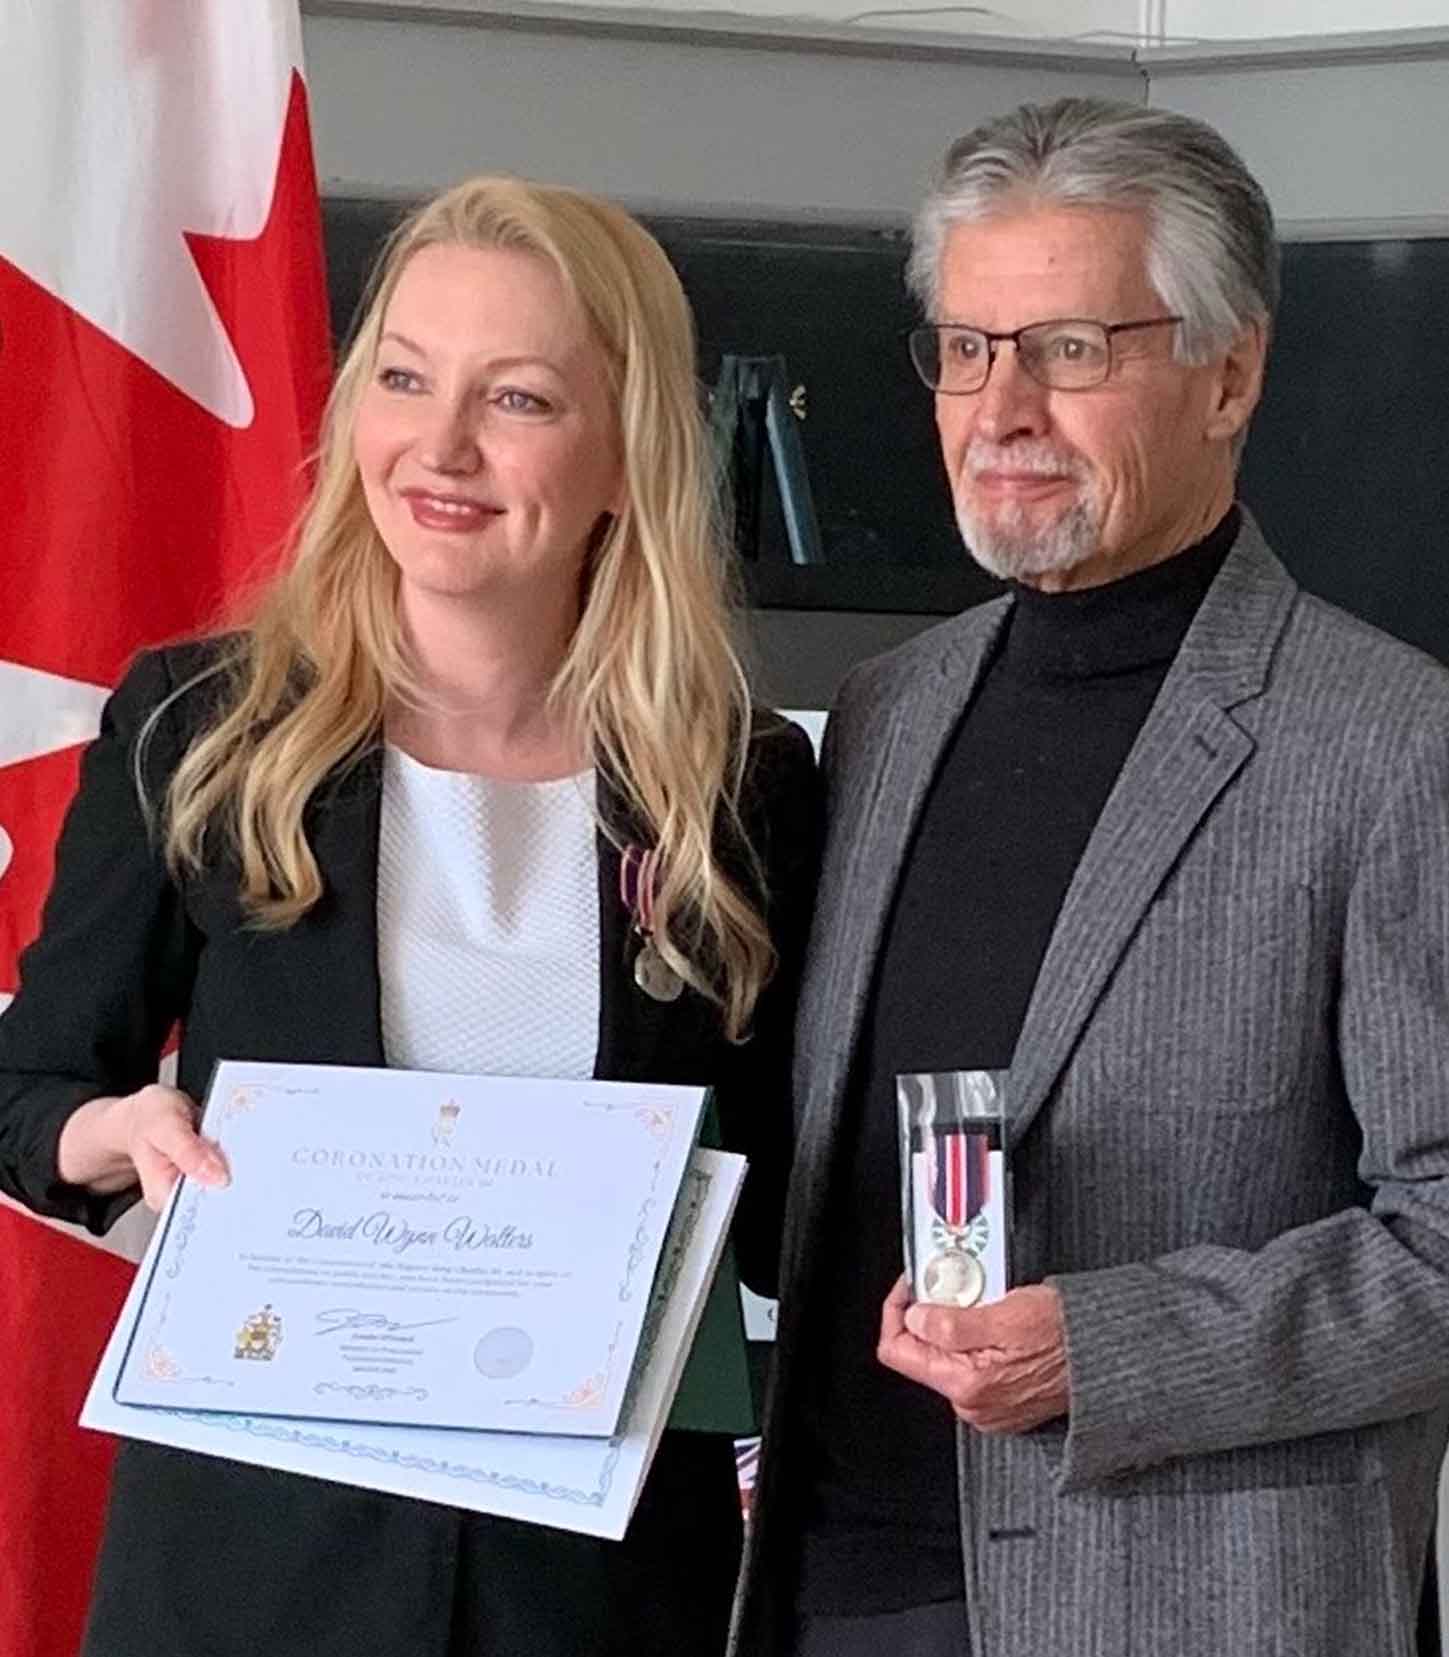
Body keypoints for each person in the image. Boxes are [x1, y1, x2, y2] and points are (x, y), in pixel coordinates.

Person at [0, 175, 820, 1657]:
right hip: (251, 1582)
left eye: (516, 399)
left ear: (626, 455)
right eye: (402, 379)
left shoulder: (734, 781)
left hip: (596, 1594)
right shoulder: (200, 728)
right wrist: (113, 1133)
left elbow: (787, 1205)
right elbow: (24, 1090)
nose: (440, 448)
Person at [735, 97, 1449, 1657]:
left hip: (1185, 1612)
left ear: (1230, 373)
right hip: (829, 1589)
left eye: (1067, 349)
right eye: (965, 348)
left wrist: (1110, 1349)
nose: (1001, 409)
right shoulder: (883, 712)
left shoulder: (1393, 740)